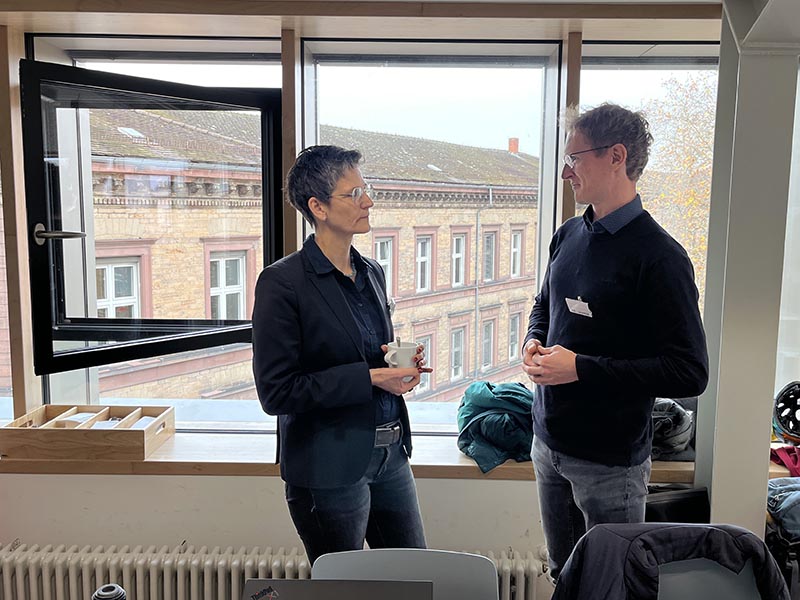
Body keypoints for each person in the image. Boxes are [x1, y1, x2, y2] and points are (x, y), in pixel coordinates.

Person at [522, 104, 709, 579]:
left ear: (616, 157)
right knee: (563, 575)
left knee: (614, 586)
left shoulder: (661, 258)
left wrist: (580, 367)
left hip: (610, 465)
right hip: (547, 445)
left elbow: (689, 371)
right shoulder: (567, 235)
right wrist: (532, 339)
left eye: (574, 159)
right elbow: (545, 305)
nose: (566, 172)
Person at [252, 145, 430, 564]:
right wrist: (369, 378)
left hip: (390, 452)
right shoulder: (282, 283)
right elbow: (276, 392)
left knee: (414, 577)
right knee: (342, 587)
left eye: (366, 190)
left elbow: (367, 352)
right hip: (327, 466)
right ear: (318, 207)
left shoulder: (371, 271)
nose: (367, 201)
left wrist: (399, 367)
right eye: (354, 194)